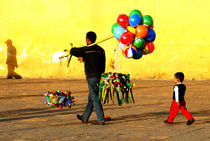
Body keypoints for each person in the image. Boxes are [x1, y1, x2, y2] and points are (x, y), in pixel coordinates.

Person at [70, 31, 106, 125]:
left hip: (91, 76)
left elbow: (74, 52)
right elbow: (101, 63)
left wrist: (71, 49)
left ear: (87, 39)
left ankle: (101, 119)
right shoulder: (101, 50)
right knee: (92, 97)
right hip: (99, 76)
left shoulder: (86, 49)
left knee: (94, 97)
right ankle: (85, 117)